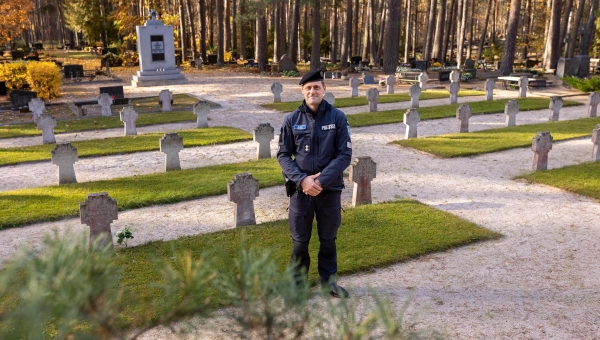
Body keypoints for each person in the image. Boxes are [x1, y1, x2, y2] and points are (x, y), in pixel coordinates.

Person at [277, 69, 352, 298]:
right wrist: (303, 181)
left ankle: (329, 283)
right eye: (308, 88)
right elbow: (283, 155)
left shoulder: (337, 118)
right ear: (302, 91)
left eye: (317, 87)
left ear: (324, 89)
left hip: (329, 191)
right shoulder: (291, 120)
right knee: (300, 243)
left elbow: (344, 155)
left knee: (328, 241)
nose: (313, 91)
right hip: (301, 193)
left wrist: (319, 180)